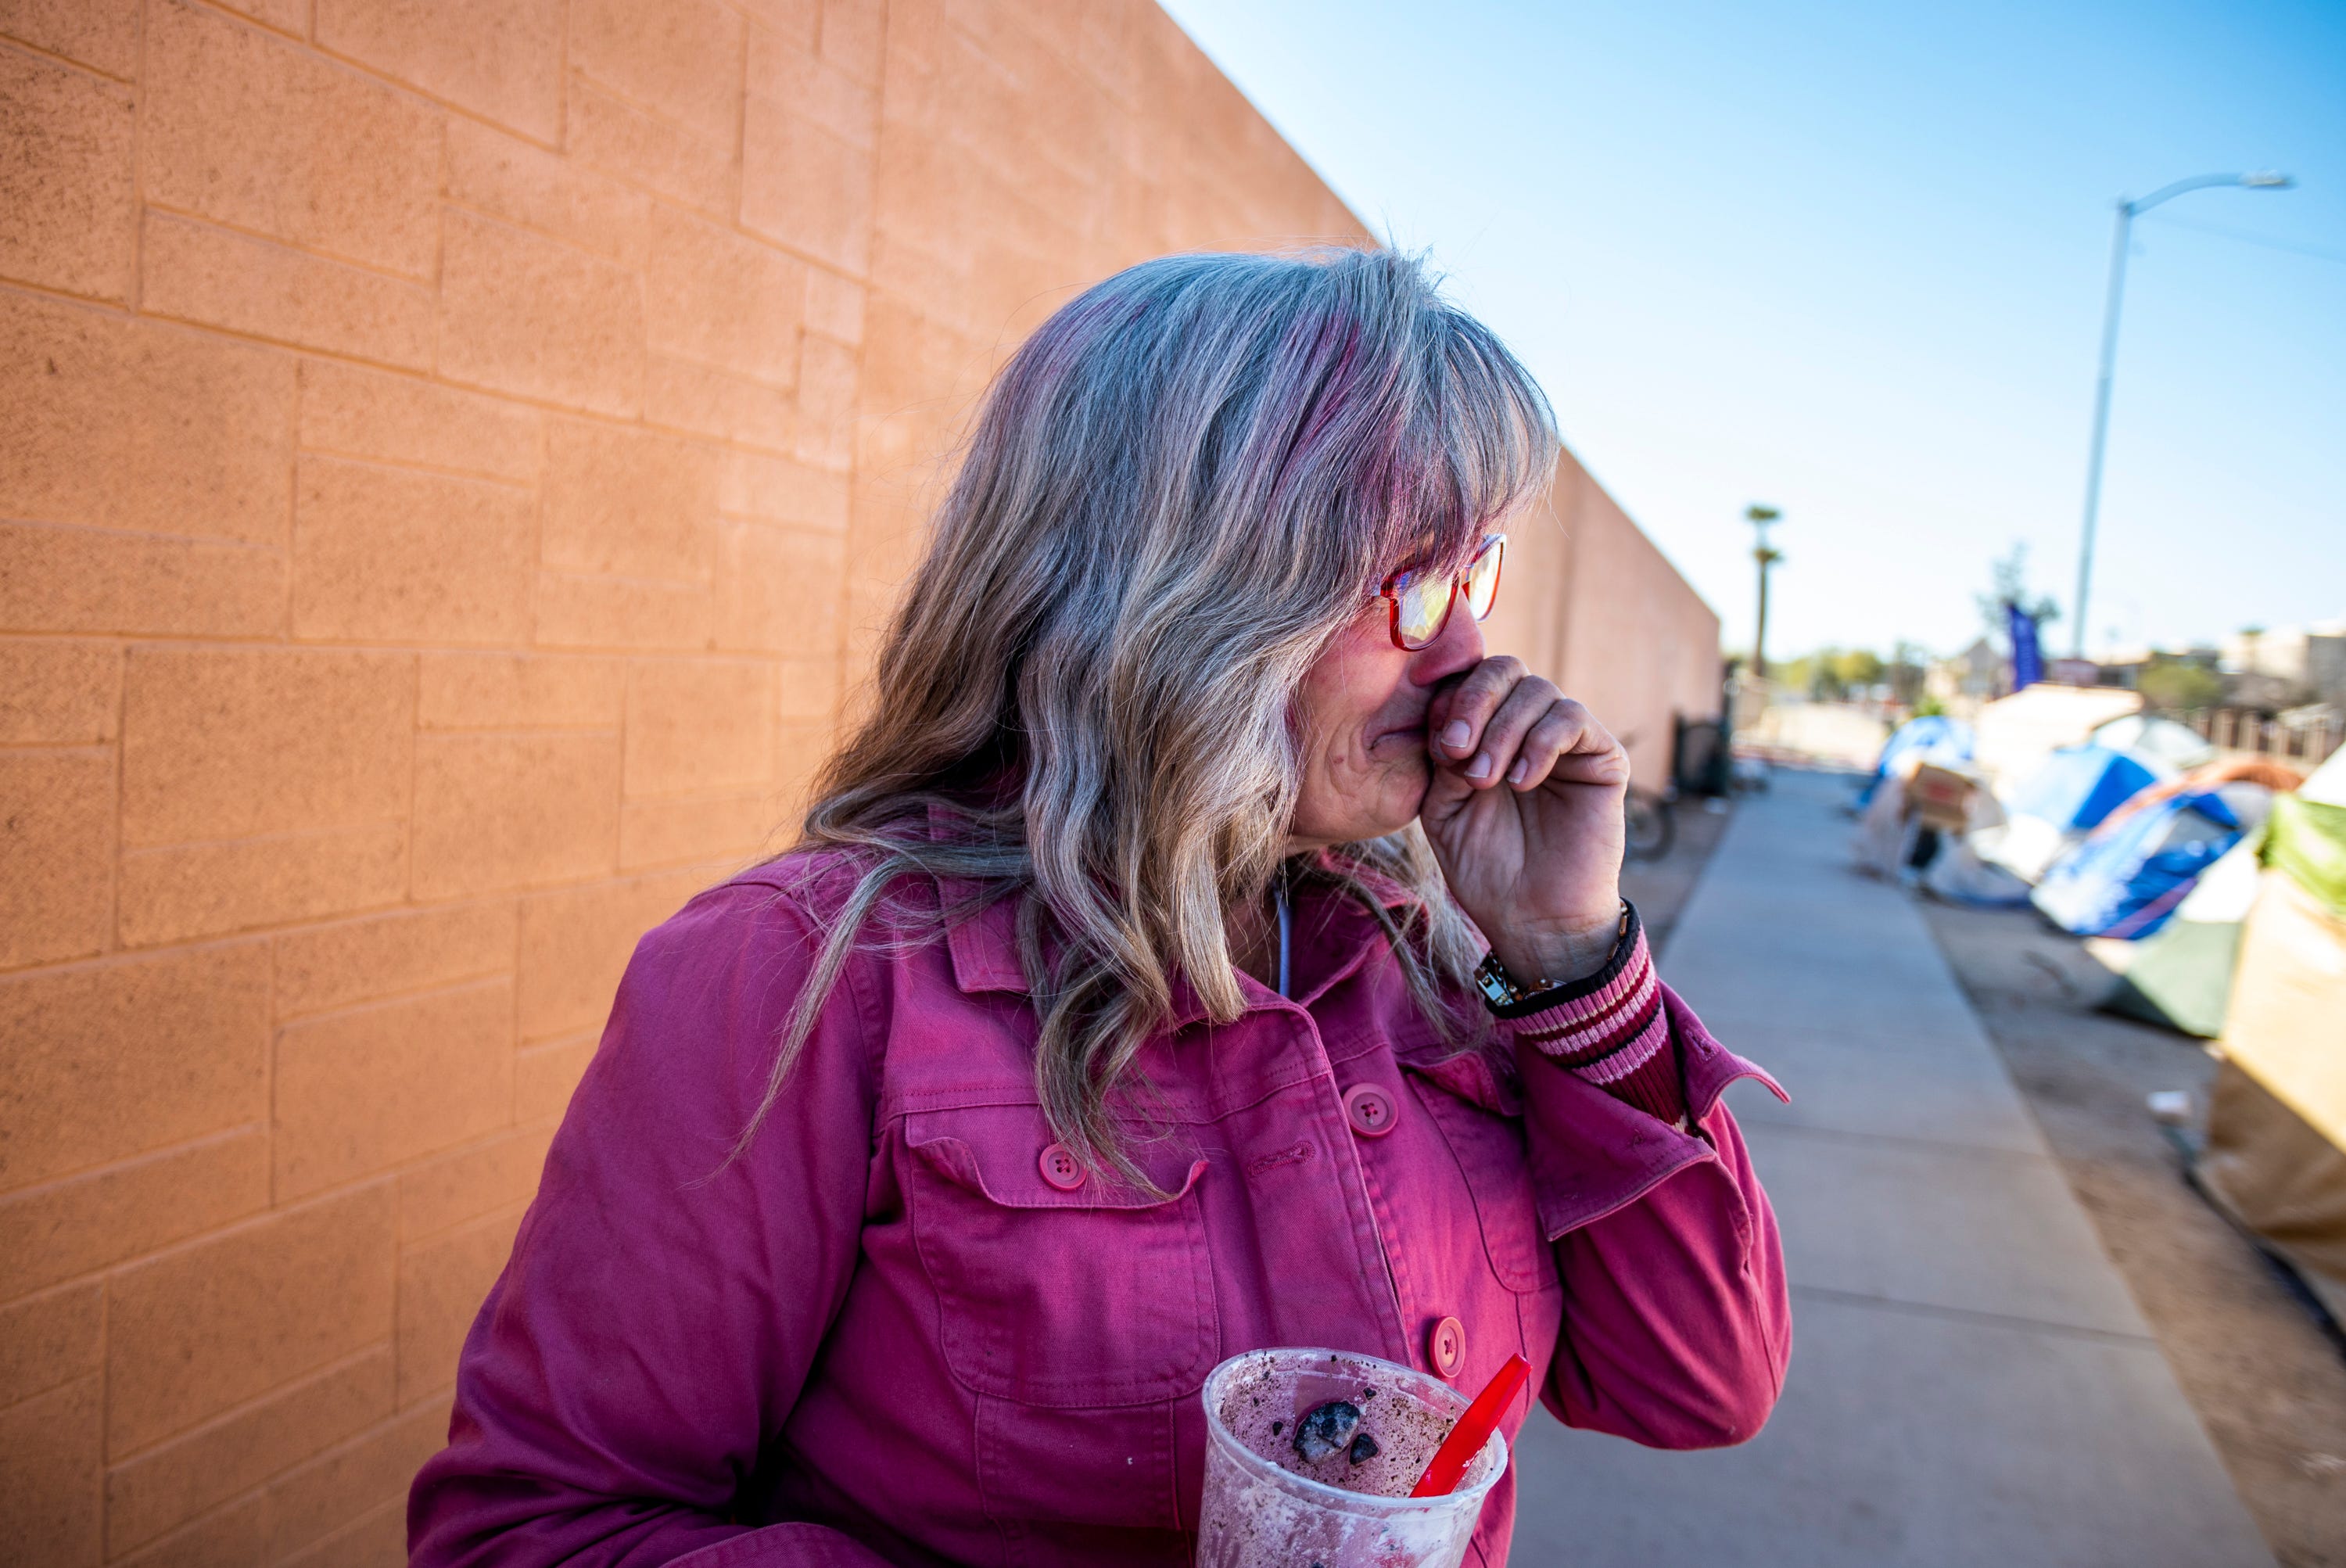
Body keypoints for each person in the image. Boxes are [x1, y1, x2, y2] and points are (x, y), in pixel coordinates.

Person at [409, 249, 1788, 1567]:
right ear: (1184, 591)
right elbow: (541, 1530)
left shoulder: (1429, 962)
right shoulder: (803, 978)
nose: (1474, 652)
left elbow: (1700, 1380)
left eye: (1475, 572)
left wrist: (1570, 960)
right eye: (1410, 584)